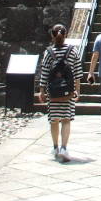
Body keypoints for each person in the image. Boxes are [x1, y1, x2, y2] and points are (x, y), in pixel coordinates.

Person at [38, 23, 82, 162]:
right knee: (66, 120)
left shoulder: (49, 52)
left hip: (53, 92)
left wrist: (41, 91)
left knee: (54, 120)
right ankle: (64, 148)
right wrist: (77, 91)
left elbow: (44, 73)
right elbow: (77, 73)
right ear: (66, 34)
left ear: (52, 35)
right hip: (67, 92)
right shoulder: (72, 51)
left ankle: (55, 147)